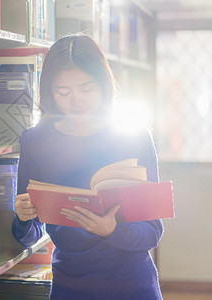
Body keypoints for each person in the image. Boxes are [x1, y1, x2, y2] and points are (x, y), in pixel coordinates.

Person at [12, 33, 164, 299]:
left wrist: (112, 231)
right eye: (63, 92)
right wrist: (23, 218)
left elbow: (152, 232)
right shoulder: (35, 141)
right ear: (49, 91)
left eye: (87, 88)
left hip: (133, 285)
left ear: (104, 85)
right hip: (70, 287)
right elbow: (28, 236)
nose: (76, 101)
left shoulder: (135, 138)